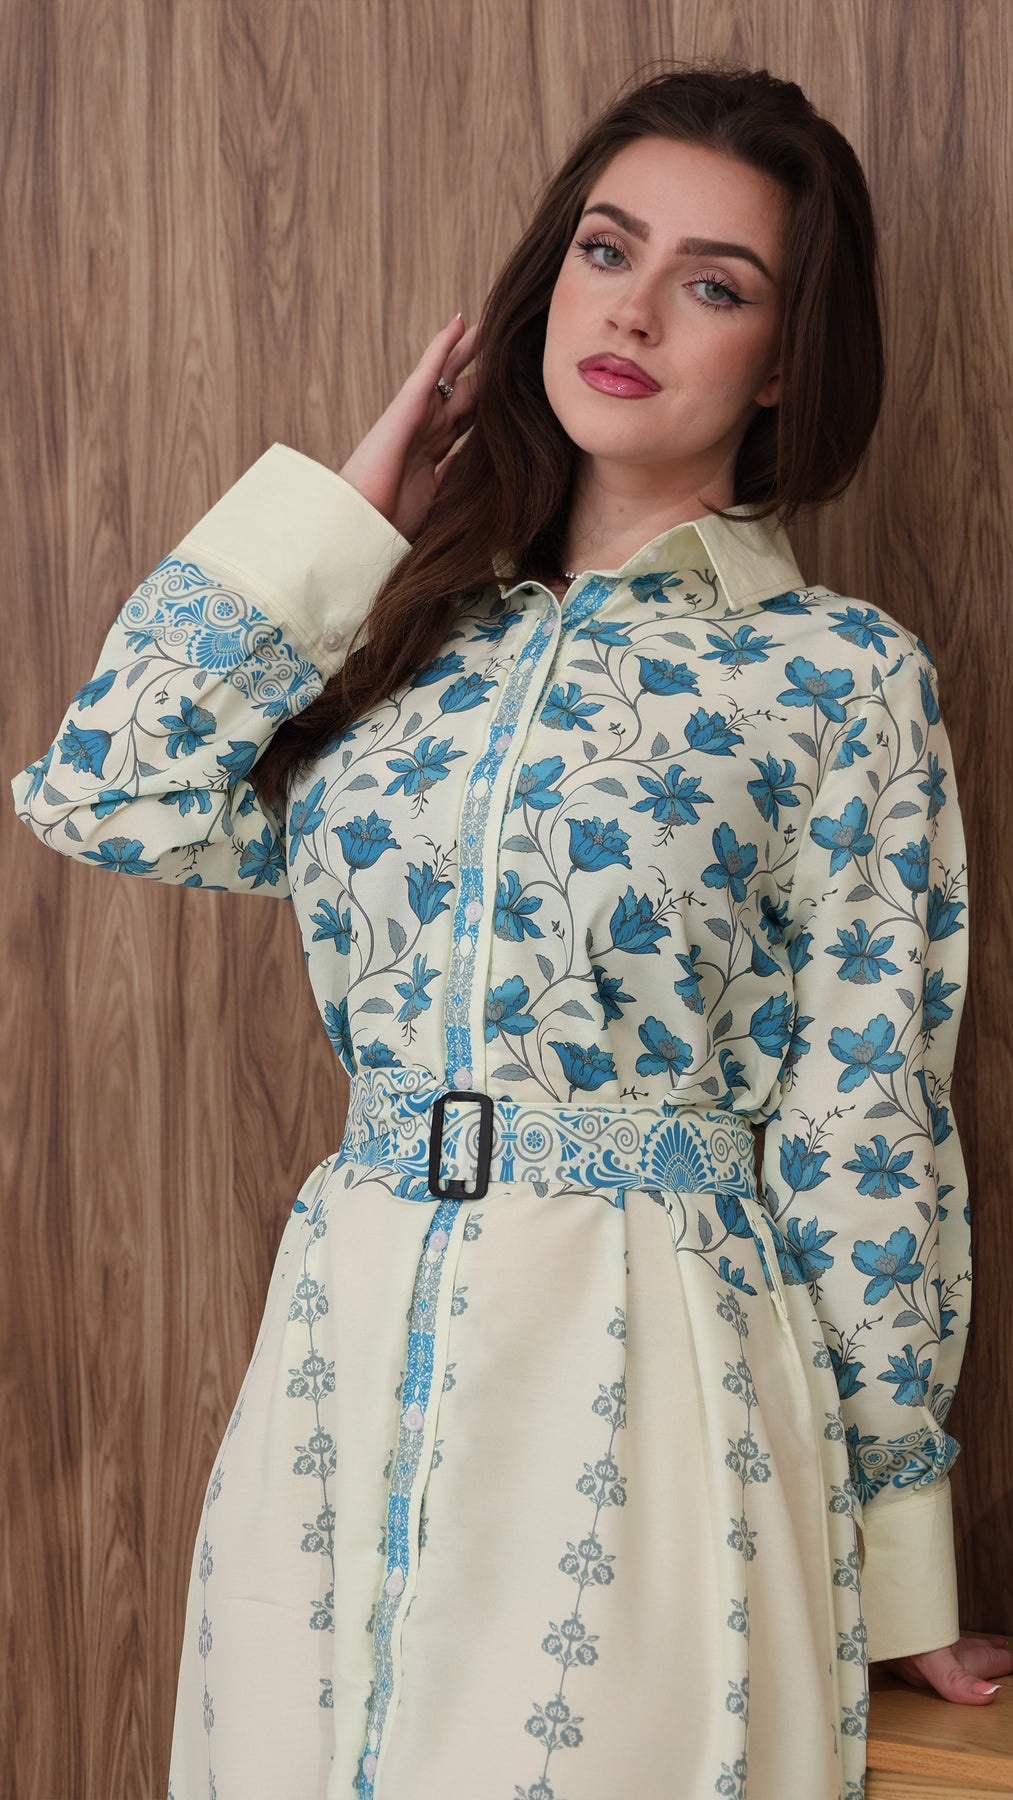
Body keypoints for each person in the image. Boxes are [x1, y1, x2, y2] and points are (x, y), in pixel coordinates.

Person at [11, 61, 1009, 1800]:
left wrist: (897, 1566)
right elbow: (109, 789)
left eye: (713, 283)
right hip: (343, 1350)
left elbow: (864, 1121)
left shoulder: (834, 678)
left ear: (782, 359)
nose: (631, 309)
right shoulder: (394, 637)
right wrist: (348, 513)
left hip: (652, 1374)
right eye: (605, 251)